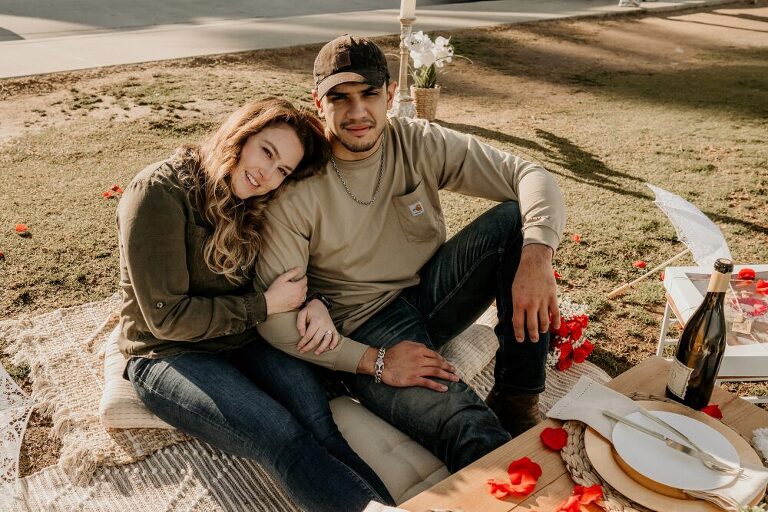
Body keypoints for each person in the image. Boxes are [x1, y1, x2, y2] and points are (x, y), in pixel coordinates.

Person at [252, 35, 567, 473]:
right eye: (340, 98)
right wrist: (374, 363)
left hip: (434, 290)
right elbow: (276, 324)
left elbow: (530, 174)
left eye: (370, 94)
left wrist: (538, 257)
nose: (357, 112)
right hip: (364, 325)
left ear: (391, 95)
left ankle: (517, 396)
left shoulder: (418, 141)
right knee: (468, 427)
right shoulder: (296, 186)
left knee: (518, 223)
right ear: (318, 102)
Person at [117, 97, 394, 511]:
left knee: (322, 427)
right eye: (267, 151)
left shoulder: (255, 201)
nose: (267, 175)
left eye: (282, 169)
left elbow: (286, 267)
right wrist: (263, 305)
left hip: (243, 340)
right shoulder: (159, 191)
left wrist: (313, 300)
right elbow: (168, 320)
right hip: (169, 354)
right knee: (279, 433)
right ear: (240, 135)